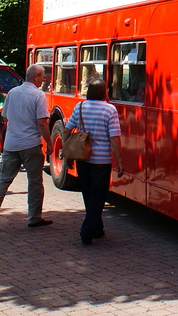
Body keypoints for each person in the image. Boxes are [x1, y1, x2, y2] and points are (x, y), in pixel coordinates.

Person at [0, 64, 53, 233]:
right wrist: (49, 143)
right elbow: (42, 122)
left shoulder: (12, 93)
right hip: (30, 145)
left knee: (3, 179)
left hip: (11, 144)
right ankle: (34, 217)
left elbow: (5, 115)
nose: (44, 79)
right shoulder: (38, 95)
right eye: (43, 76)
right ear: (35, 77)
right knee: (35, 182)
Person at [65, 78, 123, 244]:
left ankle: (97, 229)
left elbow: (67, 131)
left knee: (88, 193)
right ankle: (87, 230)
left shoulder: (80, 107)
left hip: (83, 158)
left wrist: (67, 155)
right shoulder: (110, 110)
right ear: (104, 92)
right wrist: (119, 160)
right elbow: (114, 137)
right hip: (102, 160)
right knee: (98, 195)